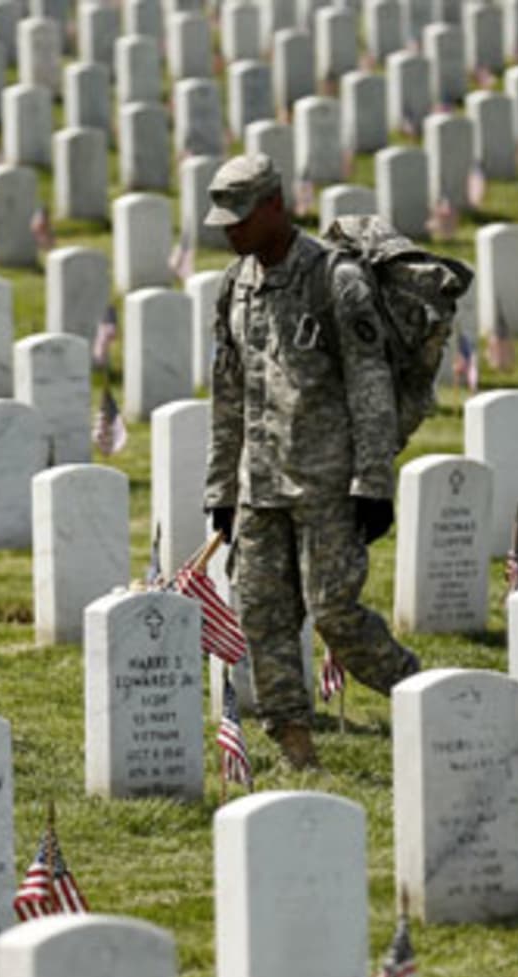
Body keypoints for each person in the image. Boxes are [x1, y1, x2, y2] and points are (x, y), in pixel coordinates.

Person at [202, 152, 420, 770]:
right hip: (259, 486)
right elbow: (228, 392)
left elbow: (370, 386)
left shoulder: (335, 281)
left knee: (335, 614)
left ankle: (427, 696)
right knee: (264, 619)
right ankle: (294, 747)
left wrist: (374, 480)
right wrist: (221, 487)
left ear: (275, 205)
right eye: (223, 220)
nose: (231, 231)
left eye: (241, 217)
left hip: (328, 486)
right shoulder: (234, 286)